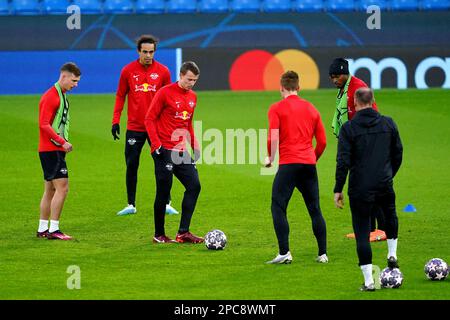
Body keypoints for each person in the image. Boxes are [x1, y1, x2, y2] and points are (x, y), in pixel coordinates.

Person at [334, 88, 403, 291]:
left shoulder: (348, 128)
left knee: (362, 231)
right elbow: (398, 152)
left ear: (355, 103)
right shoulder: (388, 123)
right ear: (373, 101)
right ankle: (392, 254)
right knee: (390, 217)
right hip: (384, 183)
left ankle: (369, 282)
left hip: (360, 188)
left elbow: (343, 161)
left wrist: (338, 188)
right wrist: (389, 174)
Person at [265, 71, 328, 264]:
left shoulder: (276, 108)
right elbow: (323, 142)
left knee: (278, 206)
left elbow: (272, 137)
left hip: (288, 164)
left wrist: (270, 157)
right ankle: (322, 254)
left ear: (281, 88)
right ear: (298, 88)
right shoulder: (312, 109)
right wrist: (312, 159)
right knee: (314, 208)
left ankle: (284, 253)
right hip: (308, 164)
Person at [112, 34, 178, 216]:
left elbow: (169, 100)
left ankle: (166, 203)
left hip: (157, 128)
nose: (148, 55)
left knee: (164, 164)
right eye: (145, 52)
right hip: (135, 127)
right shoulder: (127, 71)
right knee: (132, 164)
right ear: (138, 51)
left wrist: (170, 124)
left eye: (151, 52)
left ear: (155, 51)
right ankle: (130, 204)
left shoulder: (163, 71)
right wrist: (115, 120)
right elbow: (120, 96)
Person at [144, 61, 203, 244]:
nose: (191, 83)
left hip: (180, 150)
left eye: (194, 80)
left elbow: (188, 124)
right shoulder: (164, 93)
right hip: (163, 149)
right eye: (188, 79)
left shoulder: (193, 97)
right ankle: (159, 234)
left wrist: (195, 145)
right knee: (164, 190)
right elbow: (149, 119)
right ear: (180, 75)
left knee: (194, 185)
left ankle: (183, 232)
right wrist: (156, 145)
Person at [329, 57, 386, 241]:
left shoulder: (357, 88)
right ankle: (369, 230)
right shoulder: (345, 90)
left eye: (336, 76)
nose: (333, 80)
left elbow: (372, 116)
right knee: (364, 187)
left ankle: (381, 229)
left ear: (345, 74)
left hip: (368, 146)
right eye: (331, 77)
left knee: (371, 188)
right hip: (357, 144)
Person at [37, 62, 81, 240]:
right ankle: (54, 230)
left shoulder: (59, 94)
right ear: (64, 76)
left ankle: (42, 228)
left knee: (50, 190)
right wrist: (62, 142)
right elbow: (44, 124)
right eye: (74, 80)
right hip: (52, 149)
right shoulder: (51, 97)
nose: (75, 85)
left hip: (51, 150)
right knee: (63, 188)